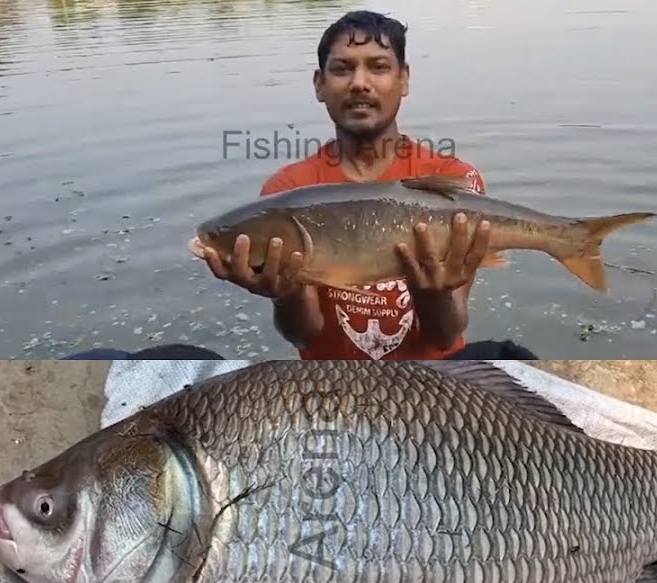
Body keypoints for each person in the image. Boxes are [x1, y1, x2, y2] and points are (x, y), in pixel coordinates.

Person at [198, 10, 523, 361]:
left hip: (437, 378)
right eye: (342, 69)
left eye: (379, 67)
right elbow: (305, 337)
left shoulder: (453, 177)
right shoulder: (287, 188)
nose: (359, 83)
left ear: (404, 80)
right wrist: (286, 294)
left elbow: (445, 337)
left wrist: (434, 292)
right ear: (319, 85)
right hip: (334, 381)